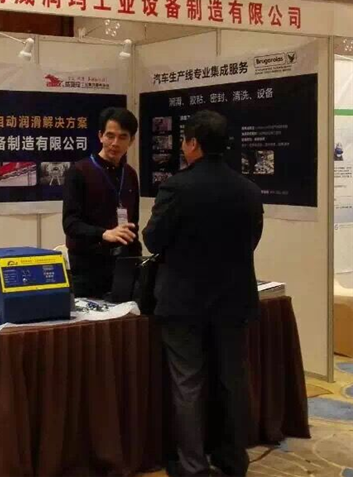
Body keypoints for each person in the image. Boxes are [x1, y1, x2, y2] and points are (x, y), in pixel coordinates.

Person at [143, 110, 264, 477]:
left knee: (188, 382)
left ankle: (193, 466)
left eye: (184, 140)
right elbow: (252, 240)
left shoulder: (177, 188)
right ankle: (233, 459)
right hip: (234, 299)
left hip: (184, 301)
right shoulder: (248, 189)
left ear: (193, 143)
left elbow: (153, 239)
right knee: (232, 380)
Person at [62, 107, 141, 298]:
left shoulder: (130, 174)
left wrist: (136, 260)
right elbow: (70, 223)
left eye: (122, 137)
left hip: (123, 265)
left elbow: (133, 223)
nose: (115, 143)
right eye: (110, 136)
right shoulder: (79, 171)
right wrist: (104, 234)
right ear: (100, 136)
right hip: (87, 267)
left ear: (131, 141)